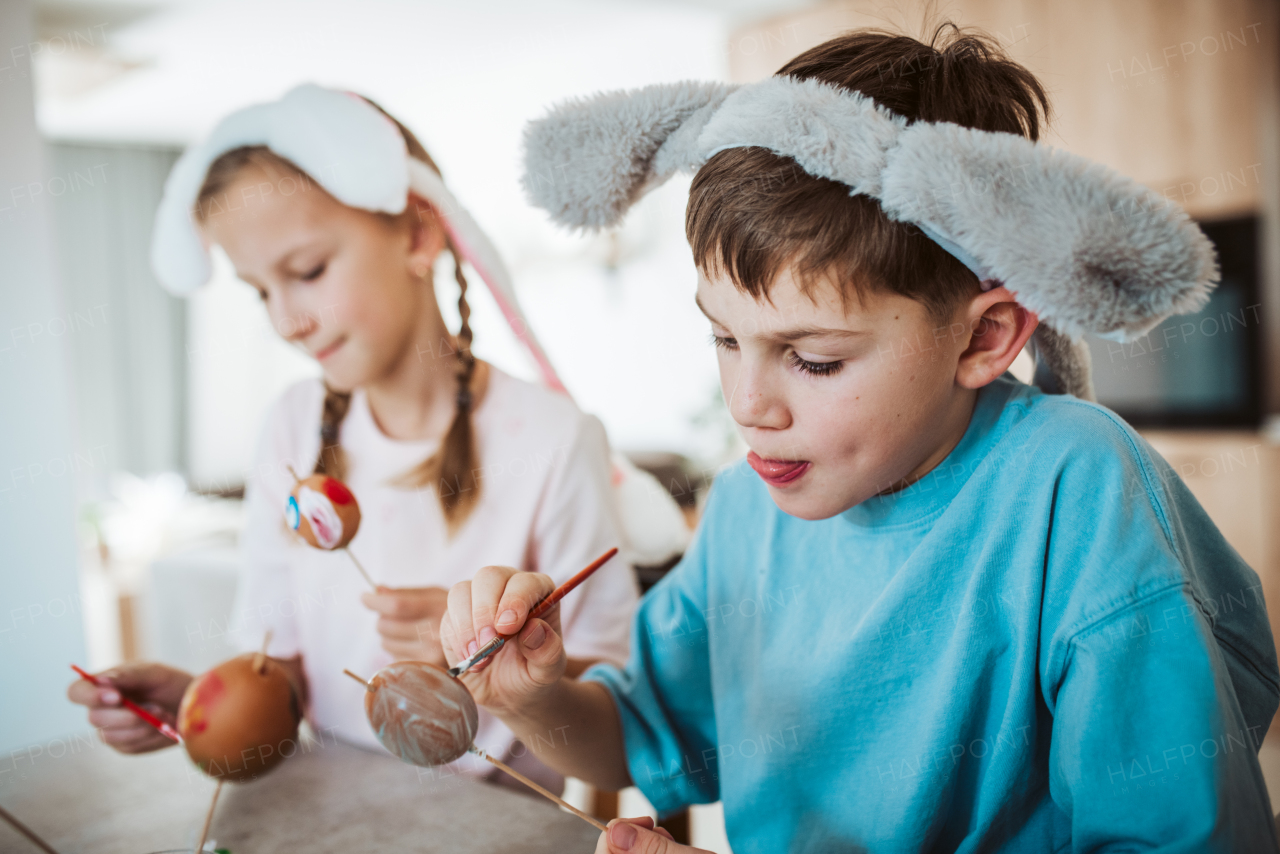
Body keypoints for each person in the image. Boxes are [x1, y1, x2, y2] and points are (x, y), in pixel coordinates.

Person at [442, 26, 1280, 852]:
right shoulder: (743, 509)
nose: (747, 404)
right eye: (725, 340)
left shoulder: (1077, 492)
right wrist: (528, 698)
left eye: (812, 359)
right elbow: (635, 737)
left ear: (986, 338)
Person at [67, 84, 639, 792]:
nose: (287, 320)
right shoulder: (290, 426)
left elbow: (615, 699)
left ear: (418, 235)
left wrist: (507, 664)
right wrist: (205, 708)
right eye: (260, 290)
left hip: (500, 825)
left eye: (306, 272)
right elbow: (279, 666)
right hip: (336, 811)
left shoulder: (553, 438)